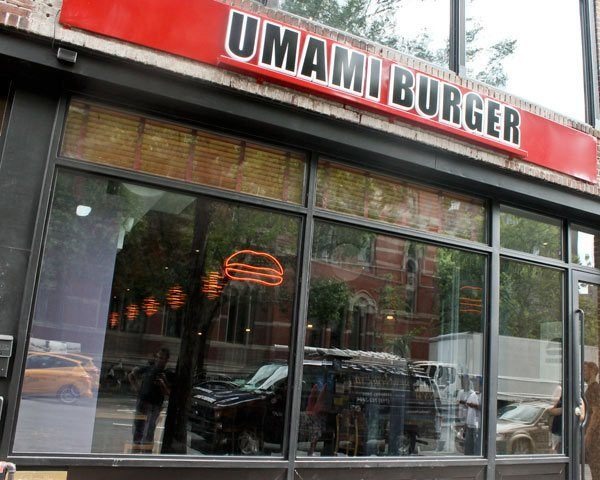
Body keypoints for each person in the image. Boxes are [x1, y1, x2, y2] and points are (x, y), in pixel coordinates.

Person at [128, 348, 174, 453]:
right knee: (138, 426)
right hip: (142, 402)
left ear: (166, 360)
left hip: (155, 404)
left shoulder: (167, 373)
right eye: (157, 357)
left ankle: (146, 452)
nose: (158, 360)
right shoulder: (149, 368)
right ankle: (136, 450)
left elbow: (169, 392)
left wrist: (163, 383)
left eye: (161, 358)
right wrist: (137, 388)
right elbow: (131, 374)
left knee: (149, 429)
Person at [584, 361, 600, 480]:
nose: (583, 373)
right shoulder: (590, 389)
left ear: (593, 371)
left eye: (585, 370)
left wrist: (588, 433)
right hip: (592, 434)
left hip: (595, 435)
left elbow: (596, 412)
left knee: (595, 465)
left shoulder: (594, 389)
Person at [464, 376, 481, 456]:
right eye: (474, 383)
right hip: (469, 422)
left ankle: (475, 455)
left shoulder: (482, 395)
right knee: (468, 441)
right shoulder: (472, 394)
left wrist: (473, 405)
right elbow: (467, 406)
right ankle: (468, 455)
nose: (475, 385)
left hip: (477, 424)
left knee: (476, 441)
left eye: (477, 383)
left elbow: (481, 407)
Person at [548, 385, 562, 453]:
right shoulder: (560, 389)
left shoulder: (576, 390)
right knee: (555, 451)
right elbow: (551, 410)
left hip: (571, 431)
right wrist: (565, 410)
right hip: (558, 431)